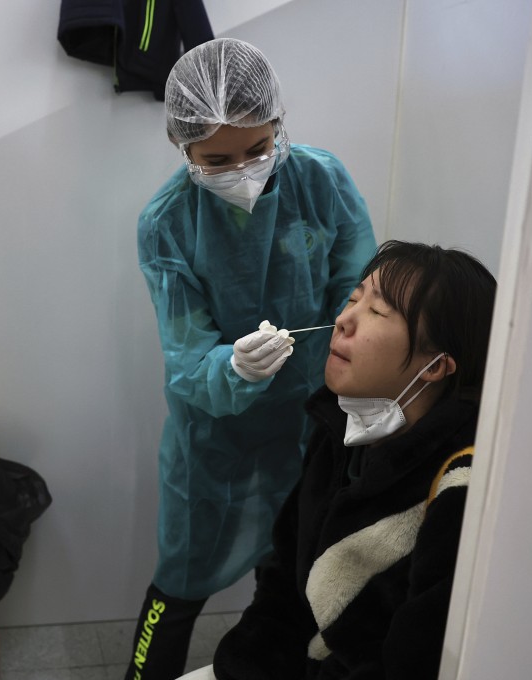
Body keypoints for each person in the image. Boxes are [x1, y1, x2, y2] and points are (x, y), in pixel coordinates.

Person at [126, 37, 377, 680]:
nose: (243, 168)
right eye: (216, 159)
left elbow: (356, 297)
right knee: (181, 580)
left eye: (258, 149)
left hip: (313, 425)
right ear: (183, 149)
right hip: (214, 440)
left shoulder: (323, 182)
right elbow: (188, 359)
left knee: (294, 572)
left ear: (278, 126)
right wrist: (232, 369)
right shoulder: (167, 224)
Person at [208, 240, 498, 680]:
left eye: (378, 312)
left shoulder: (462, 490)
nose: (343, 321)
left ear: (436, 366)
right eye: (353, 298)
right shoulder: (342, 426)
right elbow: (285, 580)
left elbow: (413, 661)